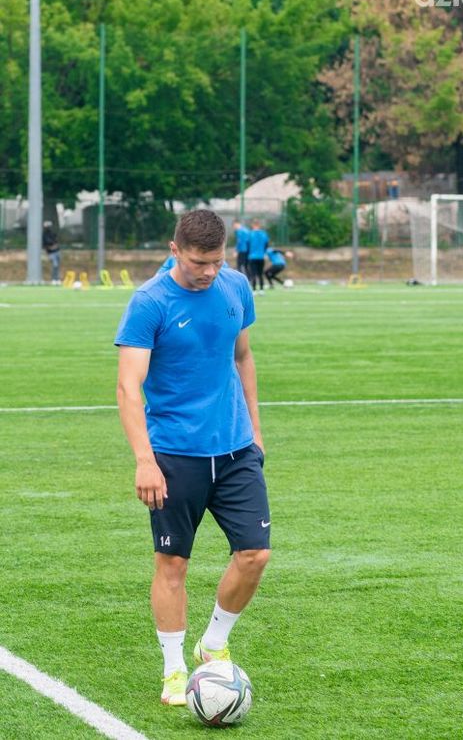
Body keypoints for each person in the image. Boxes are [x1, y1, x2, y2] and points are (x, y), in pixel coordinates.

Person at [115, 209, 270, 708]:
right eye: (199, 262)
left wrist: (256, 431)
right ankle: (174, 670)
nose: (208, 271)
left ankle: (214, 643)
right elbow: (128, 386)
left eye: (216, 261)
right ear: (174, 250)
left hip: (236, 449)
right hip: (175, 455)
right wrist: (145, 459)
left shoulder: (236, 286)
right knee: (173, 563)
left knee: (255, 554)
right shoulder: (150, 302)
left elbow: (242, 356)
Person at [247, 219, 269, 294]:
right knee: (260, 274)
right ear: (259, 225)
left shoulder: (250, 234)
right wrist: (264, 253)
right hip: (261, 257)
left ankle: (254, 289)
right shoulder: (264, 234)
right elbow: (266, 245)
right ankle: (261, 290)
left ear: (253, 225)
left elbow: (248, 245)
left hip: (252, 257)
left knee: (253, 274)